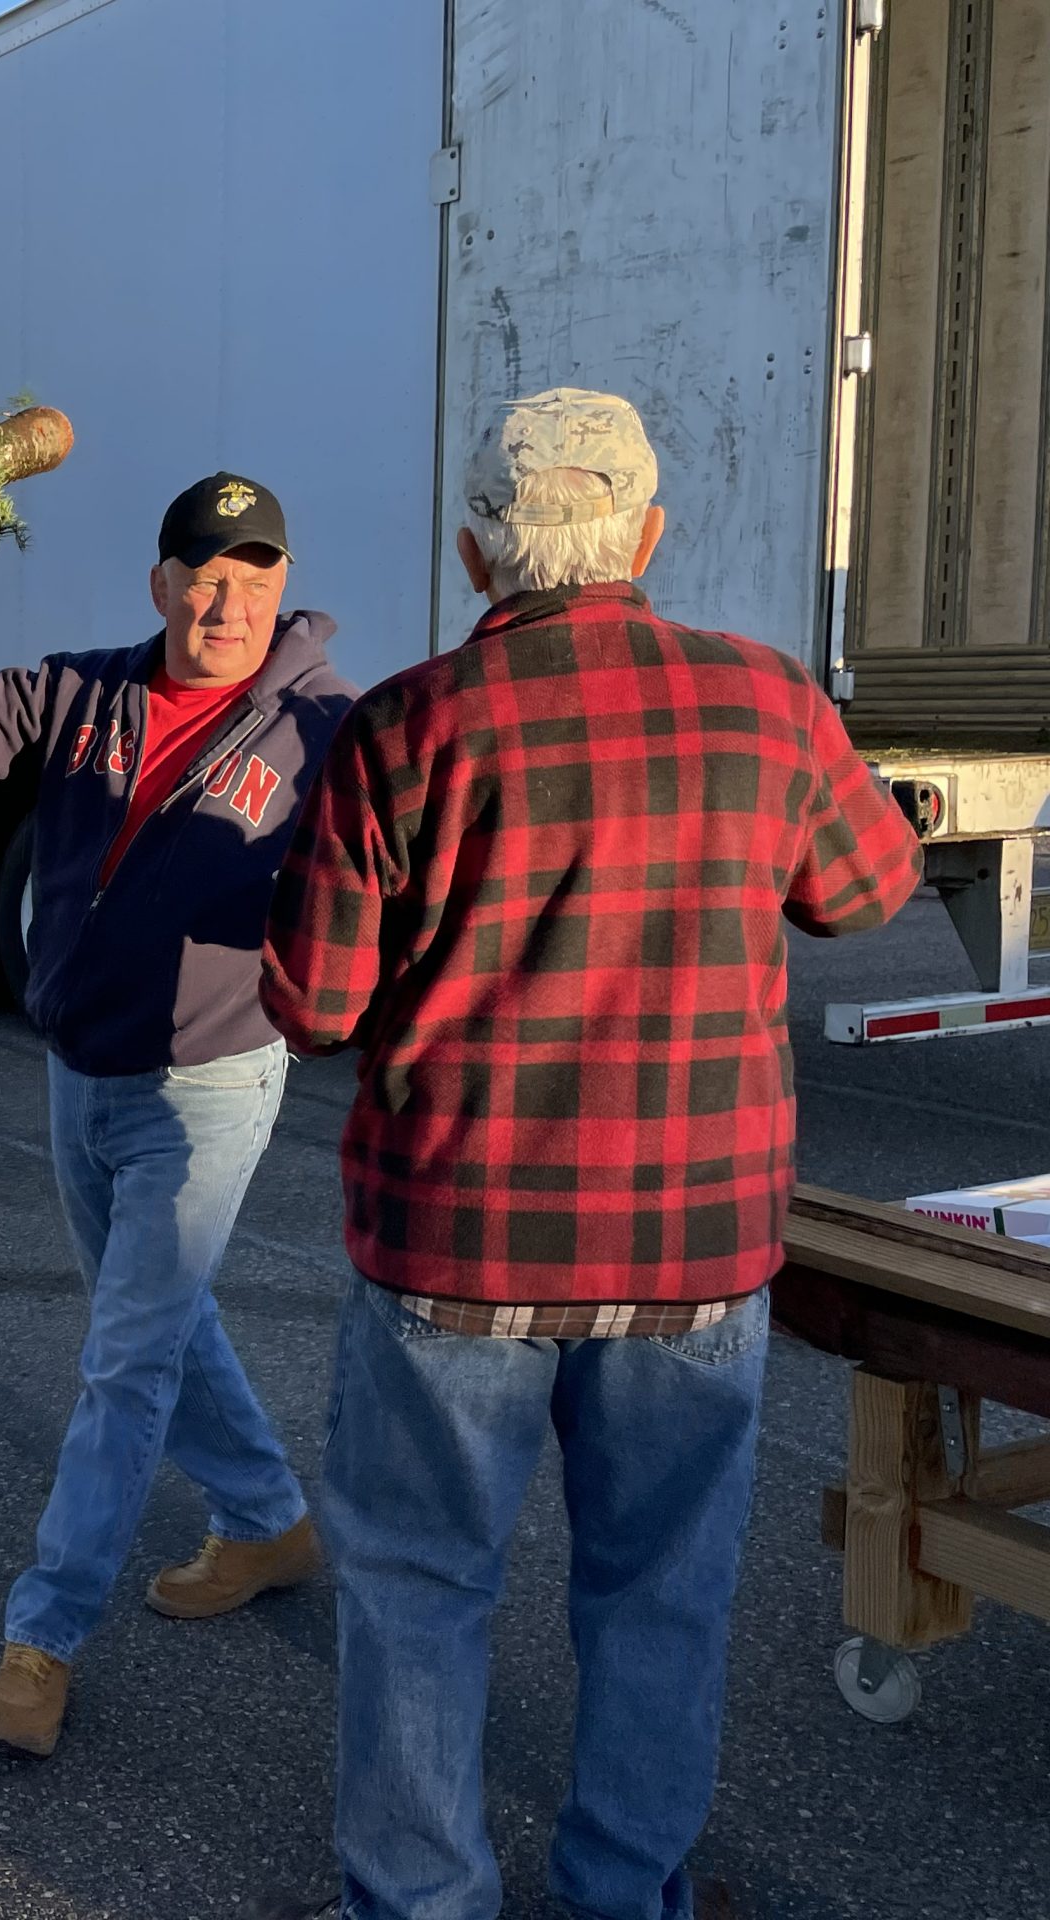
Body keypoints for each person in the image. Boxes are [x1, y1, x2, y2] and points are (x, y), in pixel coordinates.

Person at [248, 390, 924, 1920]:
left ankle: (422, 1903)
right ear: (650, 537)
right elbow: (867, 893)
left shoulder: (403, 728)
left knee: (421, 1595)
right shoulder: (767, 704)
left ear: (480, 554)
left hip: (458, 1253)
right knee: (661, 1595)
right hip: (693, 1253)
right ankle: (627, 1890)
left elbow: (313, 1002)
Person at [0, 473, 358, 1756]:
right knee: (158, 1320)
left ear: (281, 591)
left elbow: (390, 873)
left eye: (252, 582)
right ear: (160, 585)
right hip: (79, 1067)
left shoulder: (326, 727)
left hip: (209, 1082)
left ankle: (41, 1638)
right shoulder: (84, 686)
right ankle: (267, 1522)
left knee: (123, 1362)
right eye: (203, 577)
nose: (226, 604)